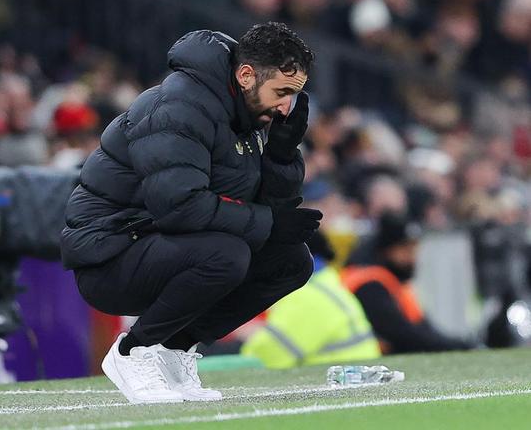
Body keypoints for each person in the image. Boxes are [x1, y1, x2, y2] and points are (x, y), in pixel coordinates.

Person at [61, 22, 322, 404]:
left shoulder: (245, 115)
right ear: (246, 75)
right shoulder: (178, 107)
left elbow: (256, 207)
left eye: (293, 95)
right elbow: (179, 206)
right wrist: (268, 223)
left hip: (163, 243)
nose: (286, 106)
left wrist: (282, 156)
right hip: (110, 255)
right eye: (282, 92)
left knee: (291, 261)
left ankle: (173, 349)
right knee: (228, 254)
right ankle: (133, 351)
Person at [240, 231, 381, 368]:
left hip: (337, 378)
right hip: (347, 375)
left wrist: (244, 335)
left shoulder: (307, 296)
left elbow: (263, 359)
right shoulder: (322, 283)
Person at [342, 212, 474, 354]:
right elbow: (403, 335)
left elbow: (422, 327)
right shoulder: (368, 283)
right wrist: (460, 346)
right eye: (405, 248)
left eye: (414, 247)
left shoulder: (393, 279)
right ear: (387, 249)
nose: (412, 256)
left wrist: (458, 343)